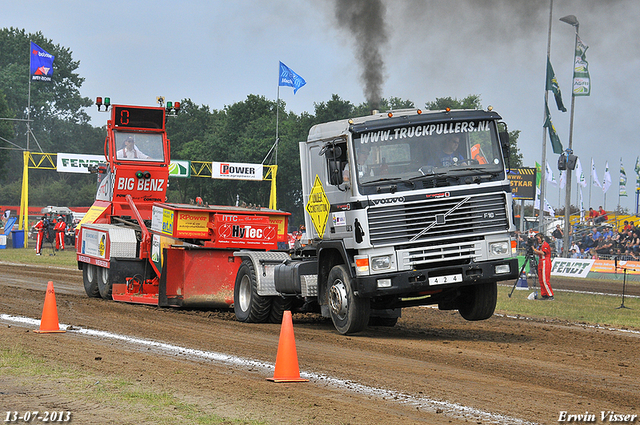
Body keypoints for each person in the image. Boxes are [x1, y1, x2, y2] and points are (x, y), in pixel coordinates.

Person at [532, 232, 554, 300]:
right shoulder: (540, 246)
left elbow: (543, 253)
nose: (537, 240)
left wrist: (534, 249)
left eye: (538, 239)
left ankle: (550, 295)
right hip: (541, 261)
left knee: (545, 280)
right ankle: (544, 294)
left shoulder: (545, 245)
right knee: (541, 279)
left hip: (545, 261)